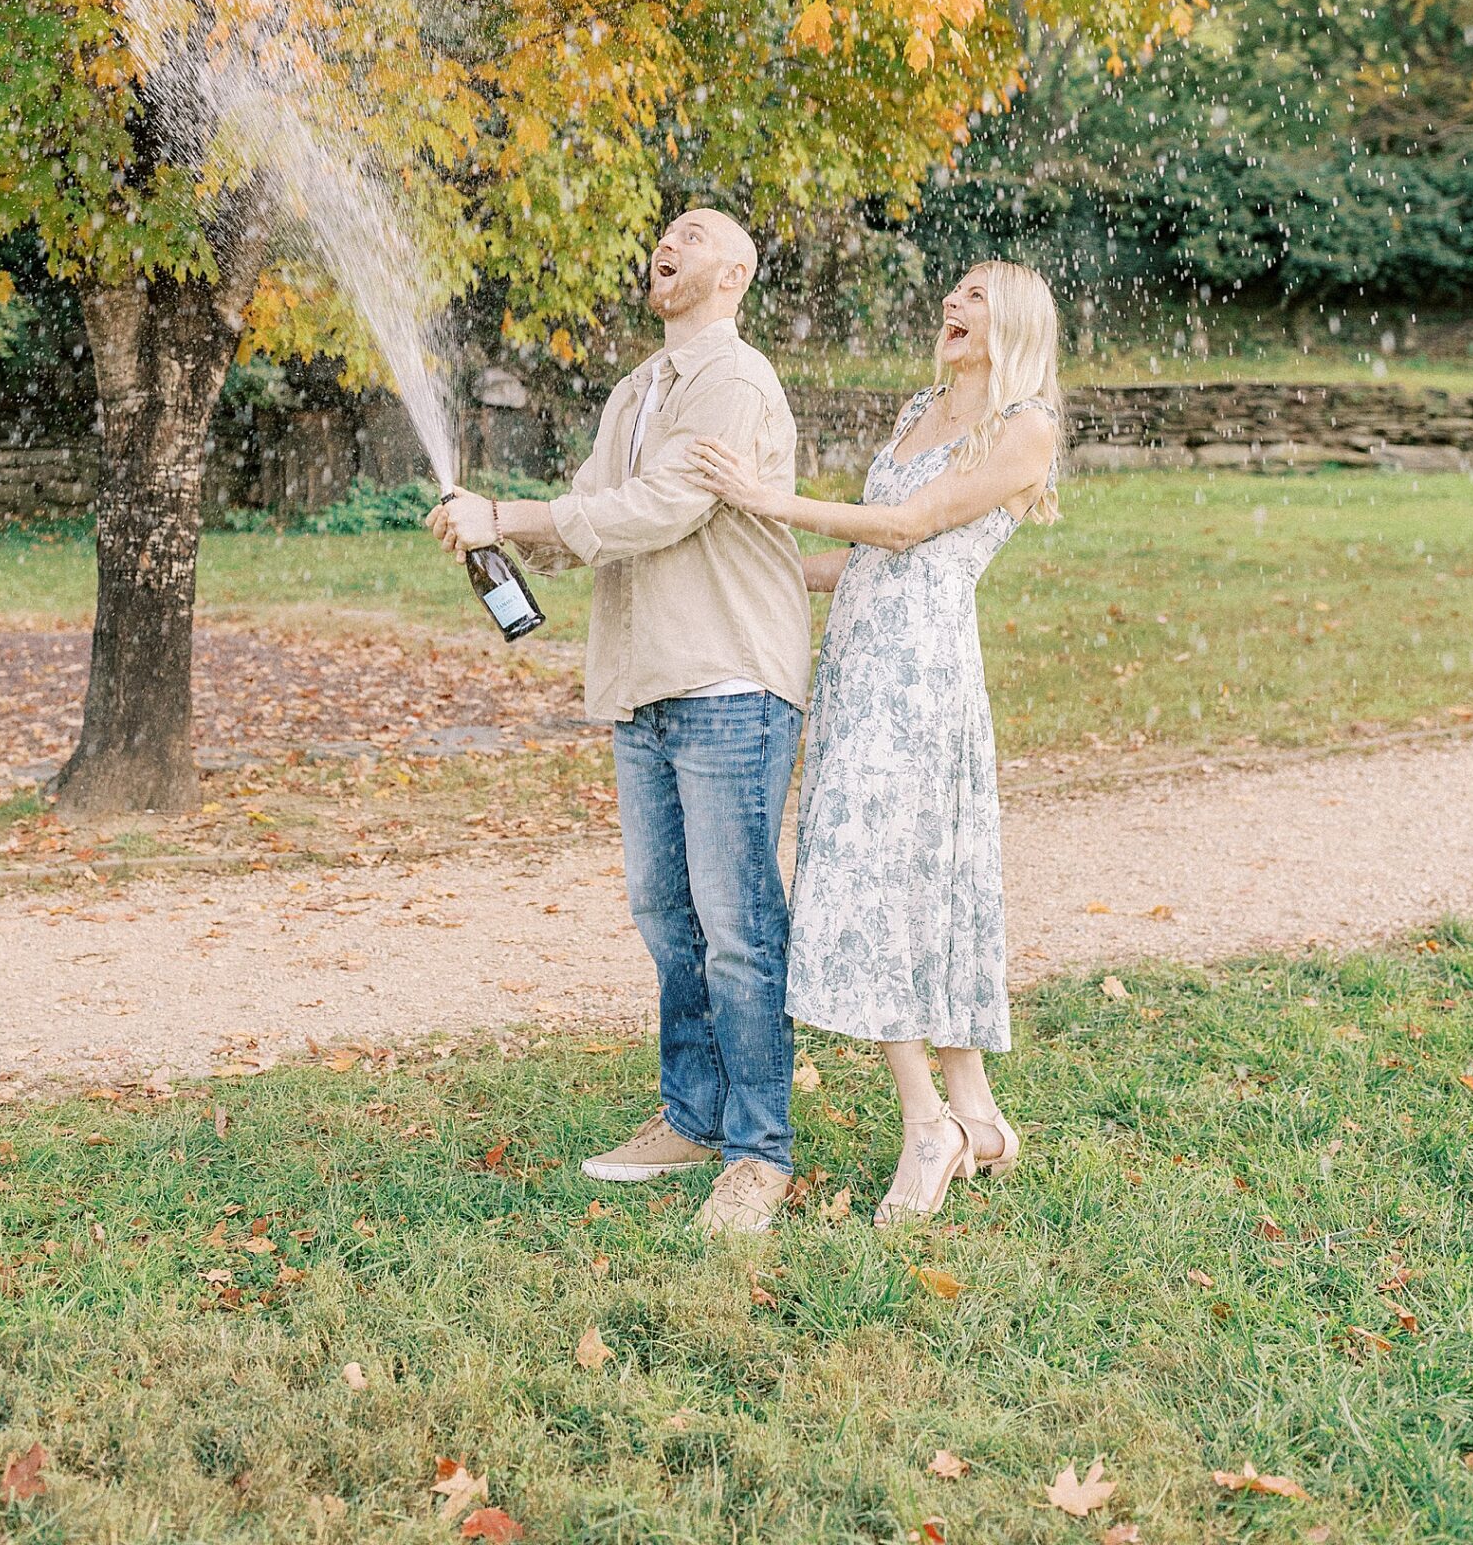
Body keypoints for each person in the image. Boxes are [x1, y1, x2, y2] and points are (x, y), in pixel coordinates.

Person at [428, 209, 811, 1236]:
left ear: (733, 272)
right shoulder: (637, 390)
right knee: (666, 916)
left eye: (693, 233)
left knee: (737, 927)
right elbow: (598, 511)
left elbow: (662, 507)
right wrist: (493, 522)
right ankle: (692, 1117)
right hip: (643, 685)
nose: (666, 242)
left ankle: (759, 1152)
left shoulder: (736, 379)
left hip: (730, 676)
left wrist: (510, 520)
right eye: (664, 231)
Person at [688, 258, 1059, 1226]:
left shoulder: (1027, 430)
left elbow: (903, 528)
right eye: (955, 291)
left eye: (976, 295)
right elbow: (856, 560)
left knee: (878, 882)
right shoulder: (917, 411)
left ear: (1013, 320)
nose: (954, 304)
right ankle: (975, 1112)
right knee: (914, 881)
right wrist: (744, 550)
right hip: (861, 668)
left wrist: (768, 497)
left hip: (921, 679)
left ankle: (926, 1122)